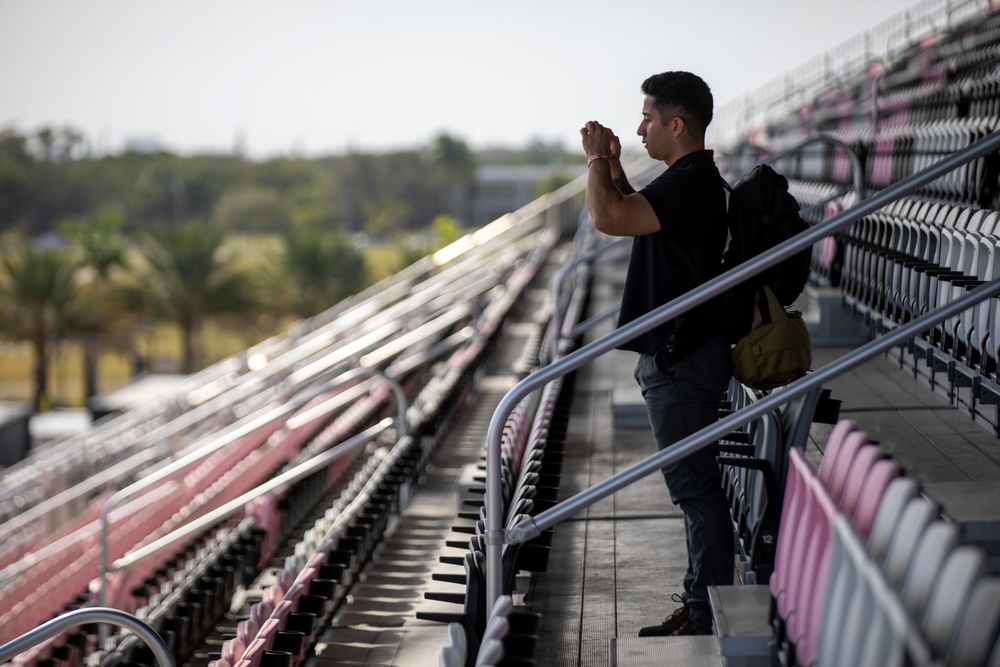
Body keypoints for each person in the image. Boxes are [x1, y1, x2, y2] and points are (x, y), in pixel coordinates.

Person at [580, 71, 734, 637]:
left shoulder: (690, 183)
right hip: (683, 355)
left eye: (648, 118)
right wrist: (616, 170)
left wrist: (597, 161)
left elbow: (609, 218)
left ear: (676, 124)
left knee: (695, 489)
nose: (640, 128)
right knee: (694, 487)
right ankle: (702, 602)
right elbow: (635, 206)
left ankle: (705, 610)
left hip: (684, 358)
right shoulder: (692, 180)